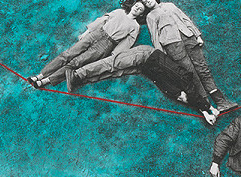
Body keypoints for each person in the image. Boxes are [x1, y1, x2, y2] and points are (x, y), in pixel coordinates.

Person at [65, 45, 221, 124]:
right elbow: (192, 93)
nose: (181, 99)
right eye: (183, 98)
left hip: (144, 67)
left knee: (116, 72)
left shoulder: (176, 91)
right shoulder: (184, 79)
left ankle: (81, 79)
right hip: (145, 55)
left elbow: (190, 97)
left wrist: (205, 112)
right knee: (112, 63)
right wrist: (209, 108)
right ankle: (78, 74)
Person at [136, 0, 237, 113]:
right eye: (145, 2)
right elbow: (155, 36)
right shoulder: (150, 16)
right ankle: (206, 107)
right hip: (172, 45)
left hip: (188, 37)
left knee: (203, 69)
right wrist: (162, 54)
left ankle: (221, 102)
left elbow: (185, 19)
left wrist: (197, 35)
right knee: (191, 74)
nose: (147, 1)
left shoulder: (170, 5)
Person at [29, 0, 144, 88]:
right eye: (137, 6)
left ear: (141, 14)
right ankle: (40, 76)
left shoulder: (135, 26)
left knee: (76, 63)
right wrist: (86, 32)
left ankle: (45, 81)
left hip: (106, 45)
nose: (137, 9)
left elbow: (126, 43)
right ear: (133, 5)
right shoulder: (119, 12)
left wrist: (113, 55)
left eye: (140, 9)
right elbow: (102, 20)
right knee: (68, 54)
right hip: (96, 34)